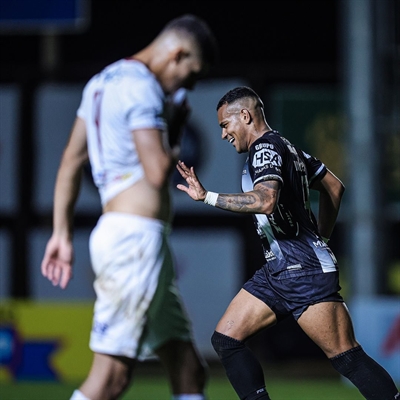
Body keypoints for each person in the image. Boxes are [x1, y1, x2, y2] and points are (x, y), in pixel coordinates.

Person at [176, 86, 400, 400]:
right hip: (279, 270)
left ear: (245, 116)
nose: (225, 134)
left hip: (303, 271)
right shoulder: (288, 147)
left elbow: (266, 201)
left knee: (348, 357)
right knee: (226, 339)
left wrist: (207, 197)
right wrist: (320, 237)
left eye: (225, 125)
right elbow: (334, 188)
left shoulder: (264, 150)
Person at [40, 14, 219, 400]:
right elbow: (157, 172)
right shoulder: (143, 88)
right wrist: (176, 126)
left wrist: (60, 233)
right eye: (191, 73)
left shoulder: (102, 83)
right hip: (133, 243)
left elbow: (70, 161)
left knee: (188, 368)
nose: (189, 84)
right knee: (110, 380)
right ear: (178, 53)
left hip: (124, 237)